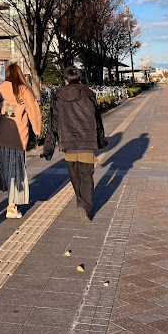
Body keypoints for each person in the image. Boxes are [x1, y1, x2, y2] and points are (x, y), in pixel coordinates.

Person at [41, 66, 104, 222]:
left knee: (74, 176)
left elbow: (52, 123)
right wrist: (101, 140)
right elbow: (97, 120)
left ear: (66, 79)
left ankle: (80, 201)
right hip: (87, 142)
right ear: (79, 78)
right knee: (87, 177)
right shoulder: (88, 94)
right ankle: (85, 207)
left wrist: (48, 148)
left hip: (68, 142)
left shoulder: (58, 97)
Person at [0, 63, 41, 219]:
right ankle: (12, 206)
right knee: (17, 172)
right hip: (18, 139)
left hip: (1, 138)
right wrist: (38, 131)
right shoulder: (24, 91)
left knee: (7, 170)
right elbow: (34, 112)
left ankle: (10, 202)